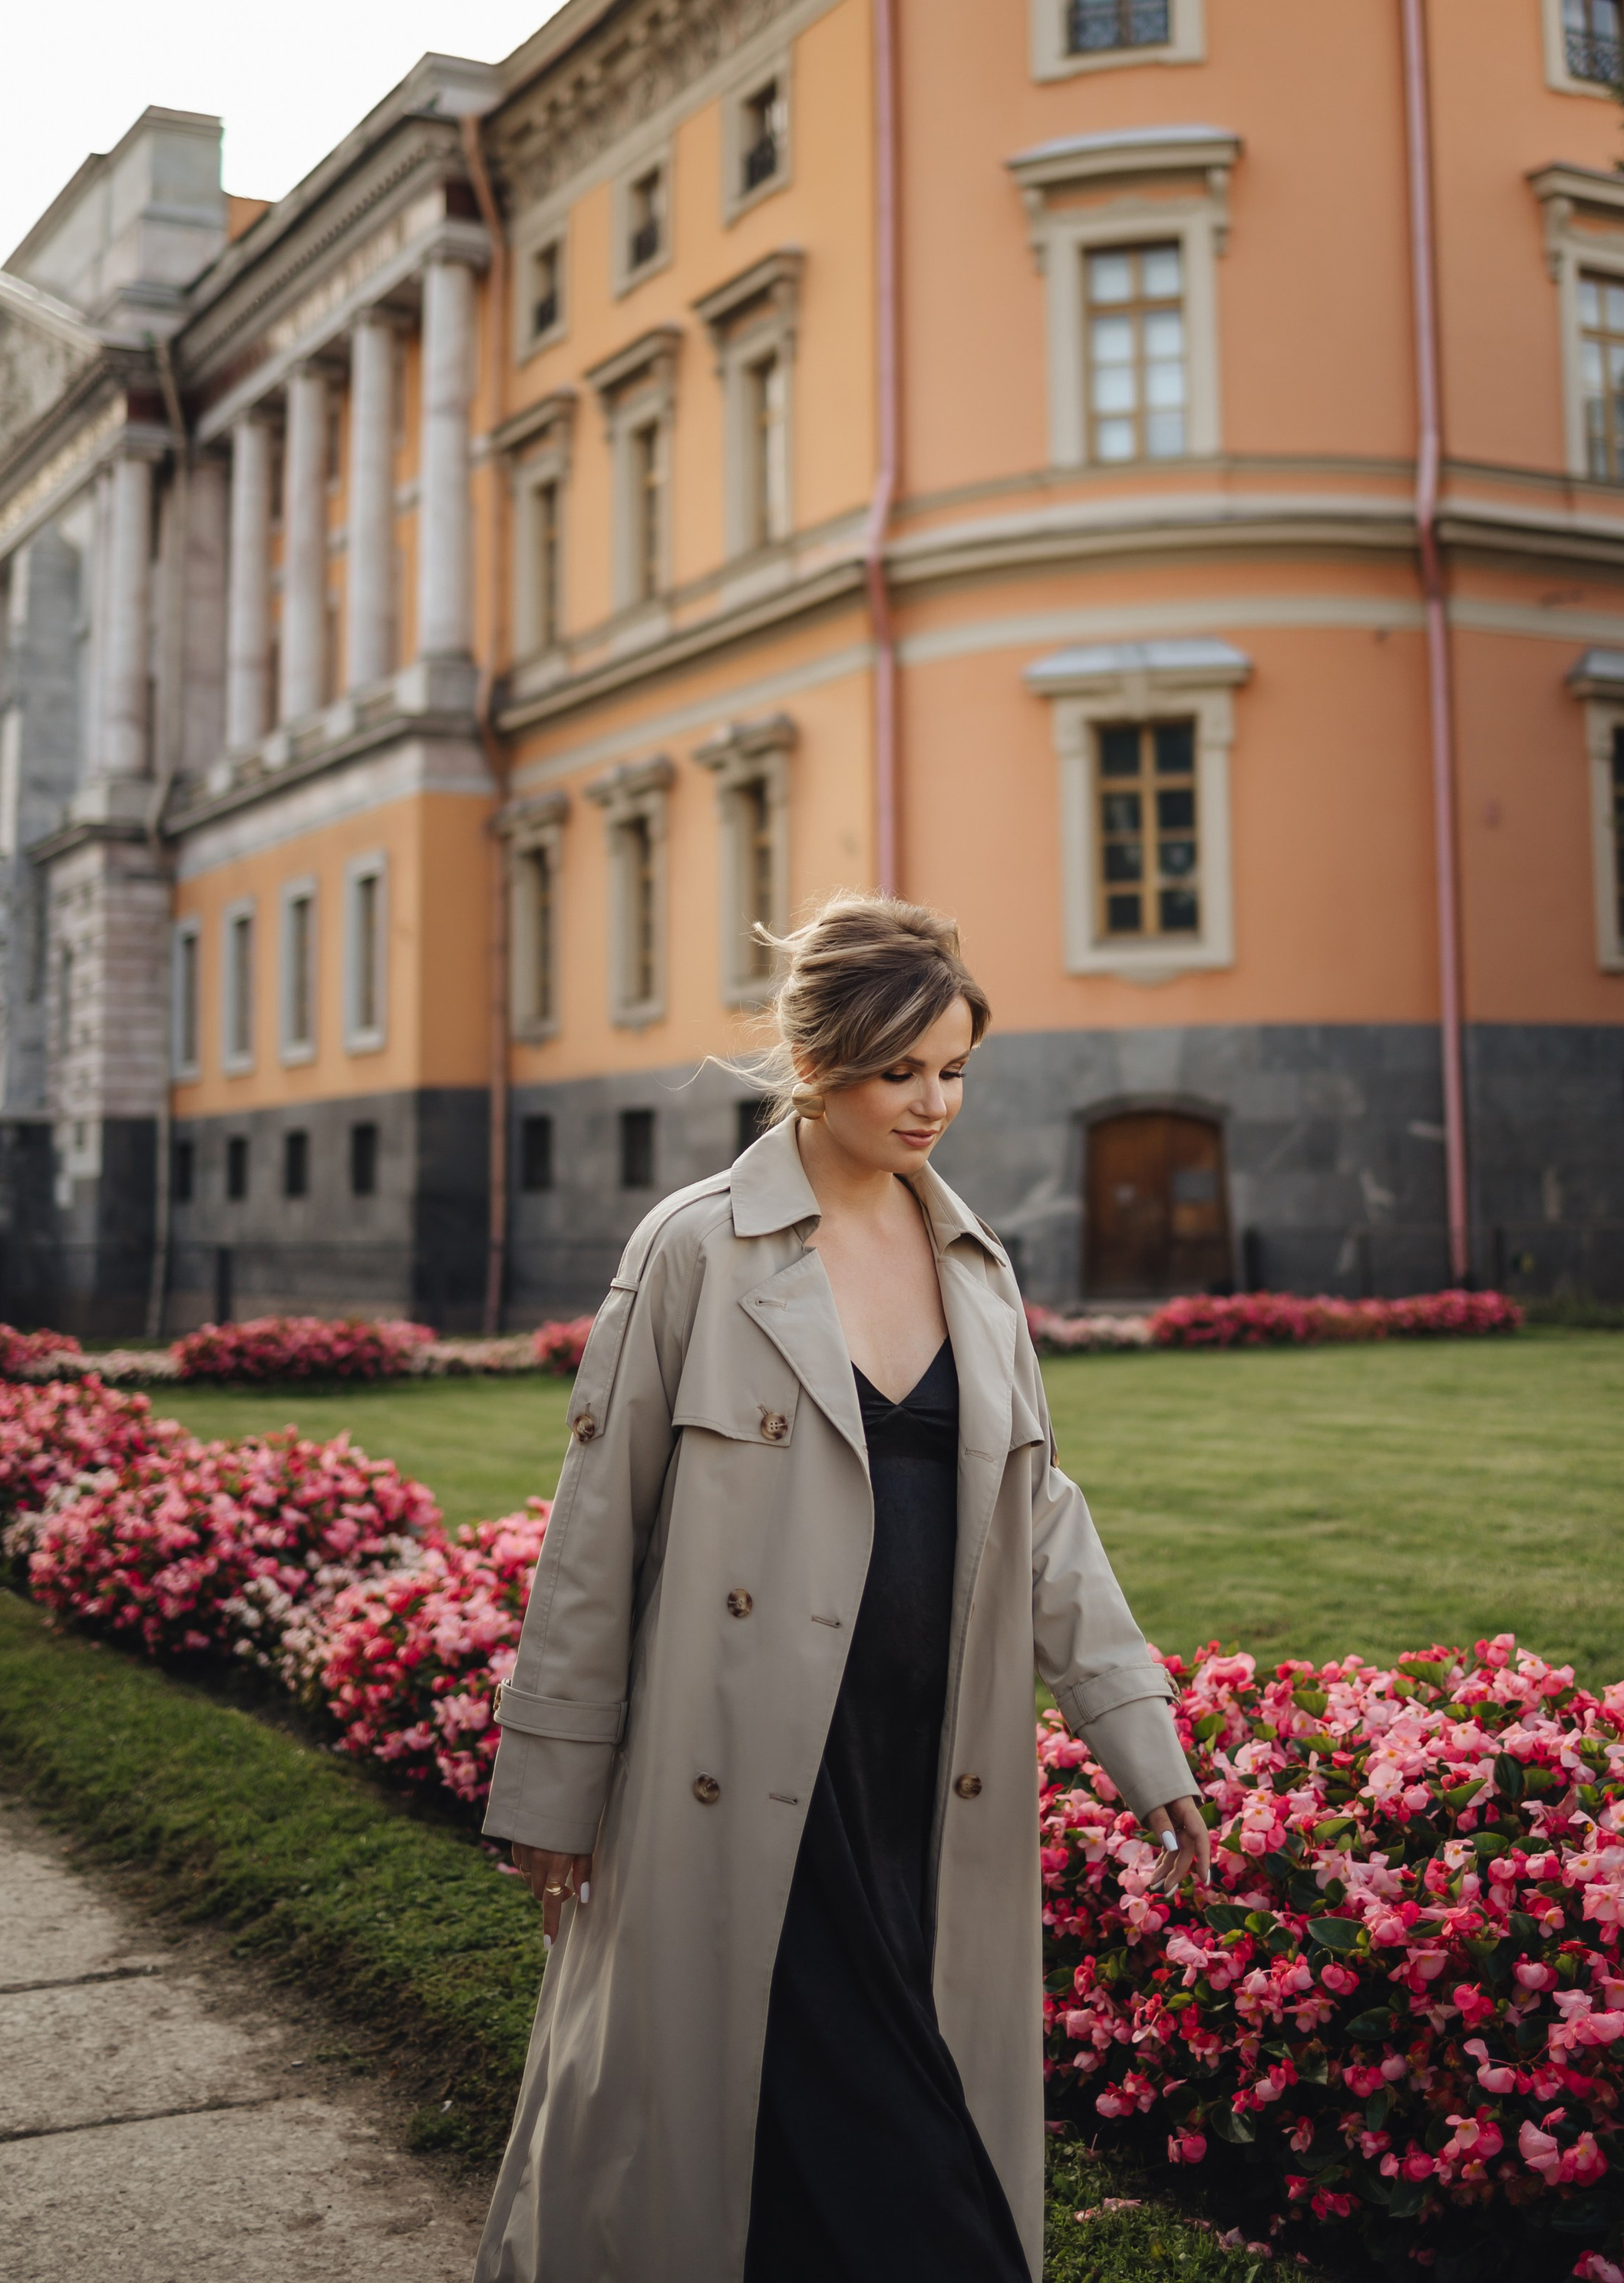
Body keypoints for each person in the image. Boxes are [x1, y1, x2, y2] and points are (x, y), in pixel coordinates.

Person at [473, 893, 1207, 2283]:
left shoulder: (977, 1267)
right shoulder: (695, 1249)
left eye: (955, 1071)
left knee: (833, 2145)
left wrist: (1136, 1728)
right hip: (749, 1770)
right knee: (872, 2161)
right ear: (819, 1062)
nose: (934, 1104)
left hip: (929, 1775)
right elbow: (599, 1524)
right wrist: (556, 1788)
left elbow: (1043, 1518)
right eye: (899, 1071)